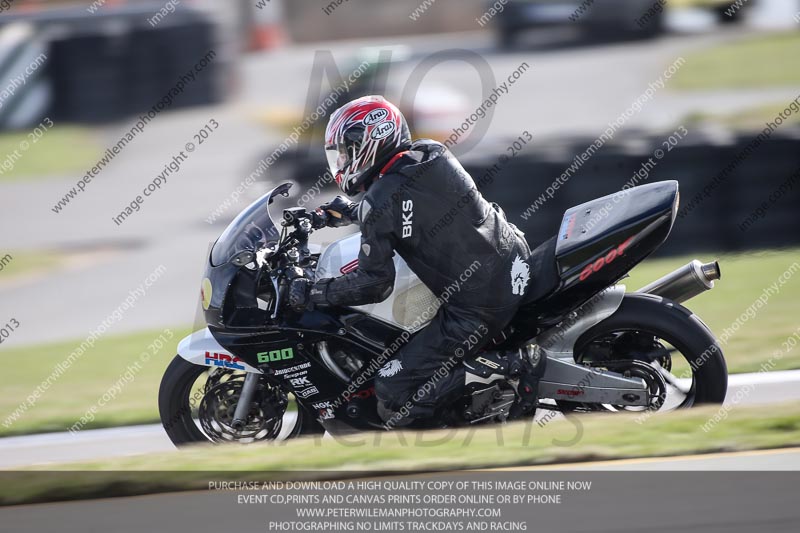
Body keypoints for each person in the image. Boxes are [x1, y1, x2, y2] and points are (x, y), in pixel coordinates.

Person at [288, 95, 535, 425]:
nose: (343, 160)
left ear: (371, 141)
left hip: (479, 305)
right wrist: (349, 212)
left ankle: (514, 366)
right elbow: (415, 208)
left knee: (394, 388)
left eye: (347, 151)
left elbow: (373, 285)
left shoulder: (380, 203)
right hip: (514, 258)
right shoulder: (430, 154)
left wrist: (313, 292)